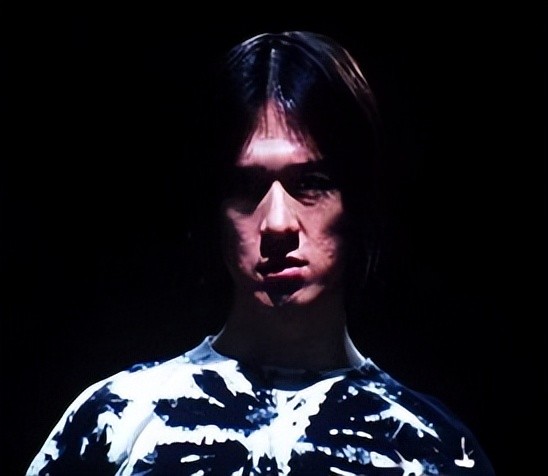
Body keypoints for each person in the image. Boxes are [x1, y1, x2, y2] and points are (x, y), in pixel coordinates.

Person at [25, 31, 495, 475]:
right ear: (212, 206)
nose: (277, 223)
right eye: (246, 187)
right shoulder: (112, 423)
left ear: (358, 200)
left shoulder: (431, 449)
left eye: (311, 183)